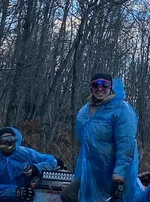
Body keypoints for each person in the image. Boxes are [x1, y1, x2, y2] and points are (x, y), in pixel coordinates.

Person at [60, 73, 141, 202]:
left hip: (114, 172)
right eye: (95, 84)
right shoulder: (84, 112)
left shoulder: (121, 110)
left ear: (111, 86)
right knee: (68, 195)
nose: (100, 88)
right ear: (90, 87)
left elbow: (126, 145)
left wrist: (119, 177)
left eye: (105, 84)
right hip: (92, 171)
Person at [0, 126, 58, 202]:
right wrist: (15, 192)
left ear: (15, 139)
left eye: (10, 138)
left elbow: (51, 161)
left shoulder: (26, 153)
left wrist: (35, 168)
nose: (8, 142)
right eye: (3, 140)